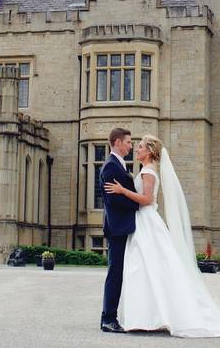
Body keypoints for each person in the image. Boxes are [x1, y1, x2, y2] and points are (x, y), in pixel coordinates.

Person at [104, 135, 220, 337]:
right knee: (144, 269)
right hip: (142, 223)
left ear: (150, 152)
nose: (136, 149)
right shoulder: (146, 170)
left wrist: (122, 190)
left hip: (147, 221)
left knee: (146, 268)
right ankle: (145, 317)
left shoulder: (149, 171)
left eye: (141, 147)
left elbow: (146, 199)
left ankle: (150, 317)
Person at [99, 127, 141, 333]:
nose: (130, 146)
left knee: (121, 272)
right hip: (117, 227)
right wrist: (139, 204)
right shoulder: (110, 167)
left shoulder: (119, 165)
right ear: (117, 142)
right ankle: (108, 318)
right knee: (115, 273)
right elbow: (113, 200)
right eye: (128, 142)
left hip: (124, 226)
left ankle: (111, 316)